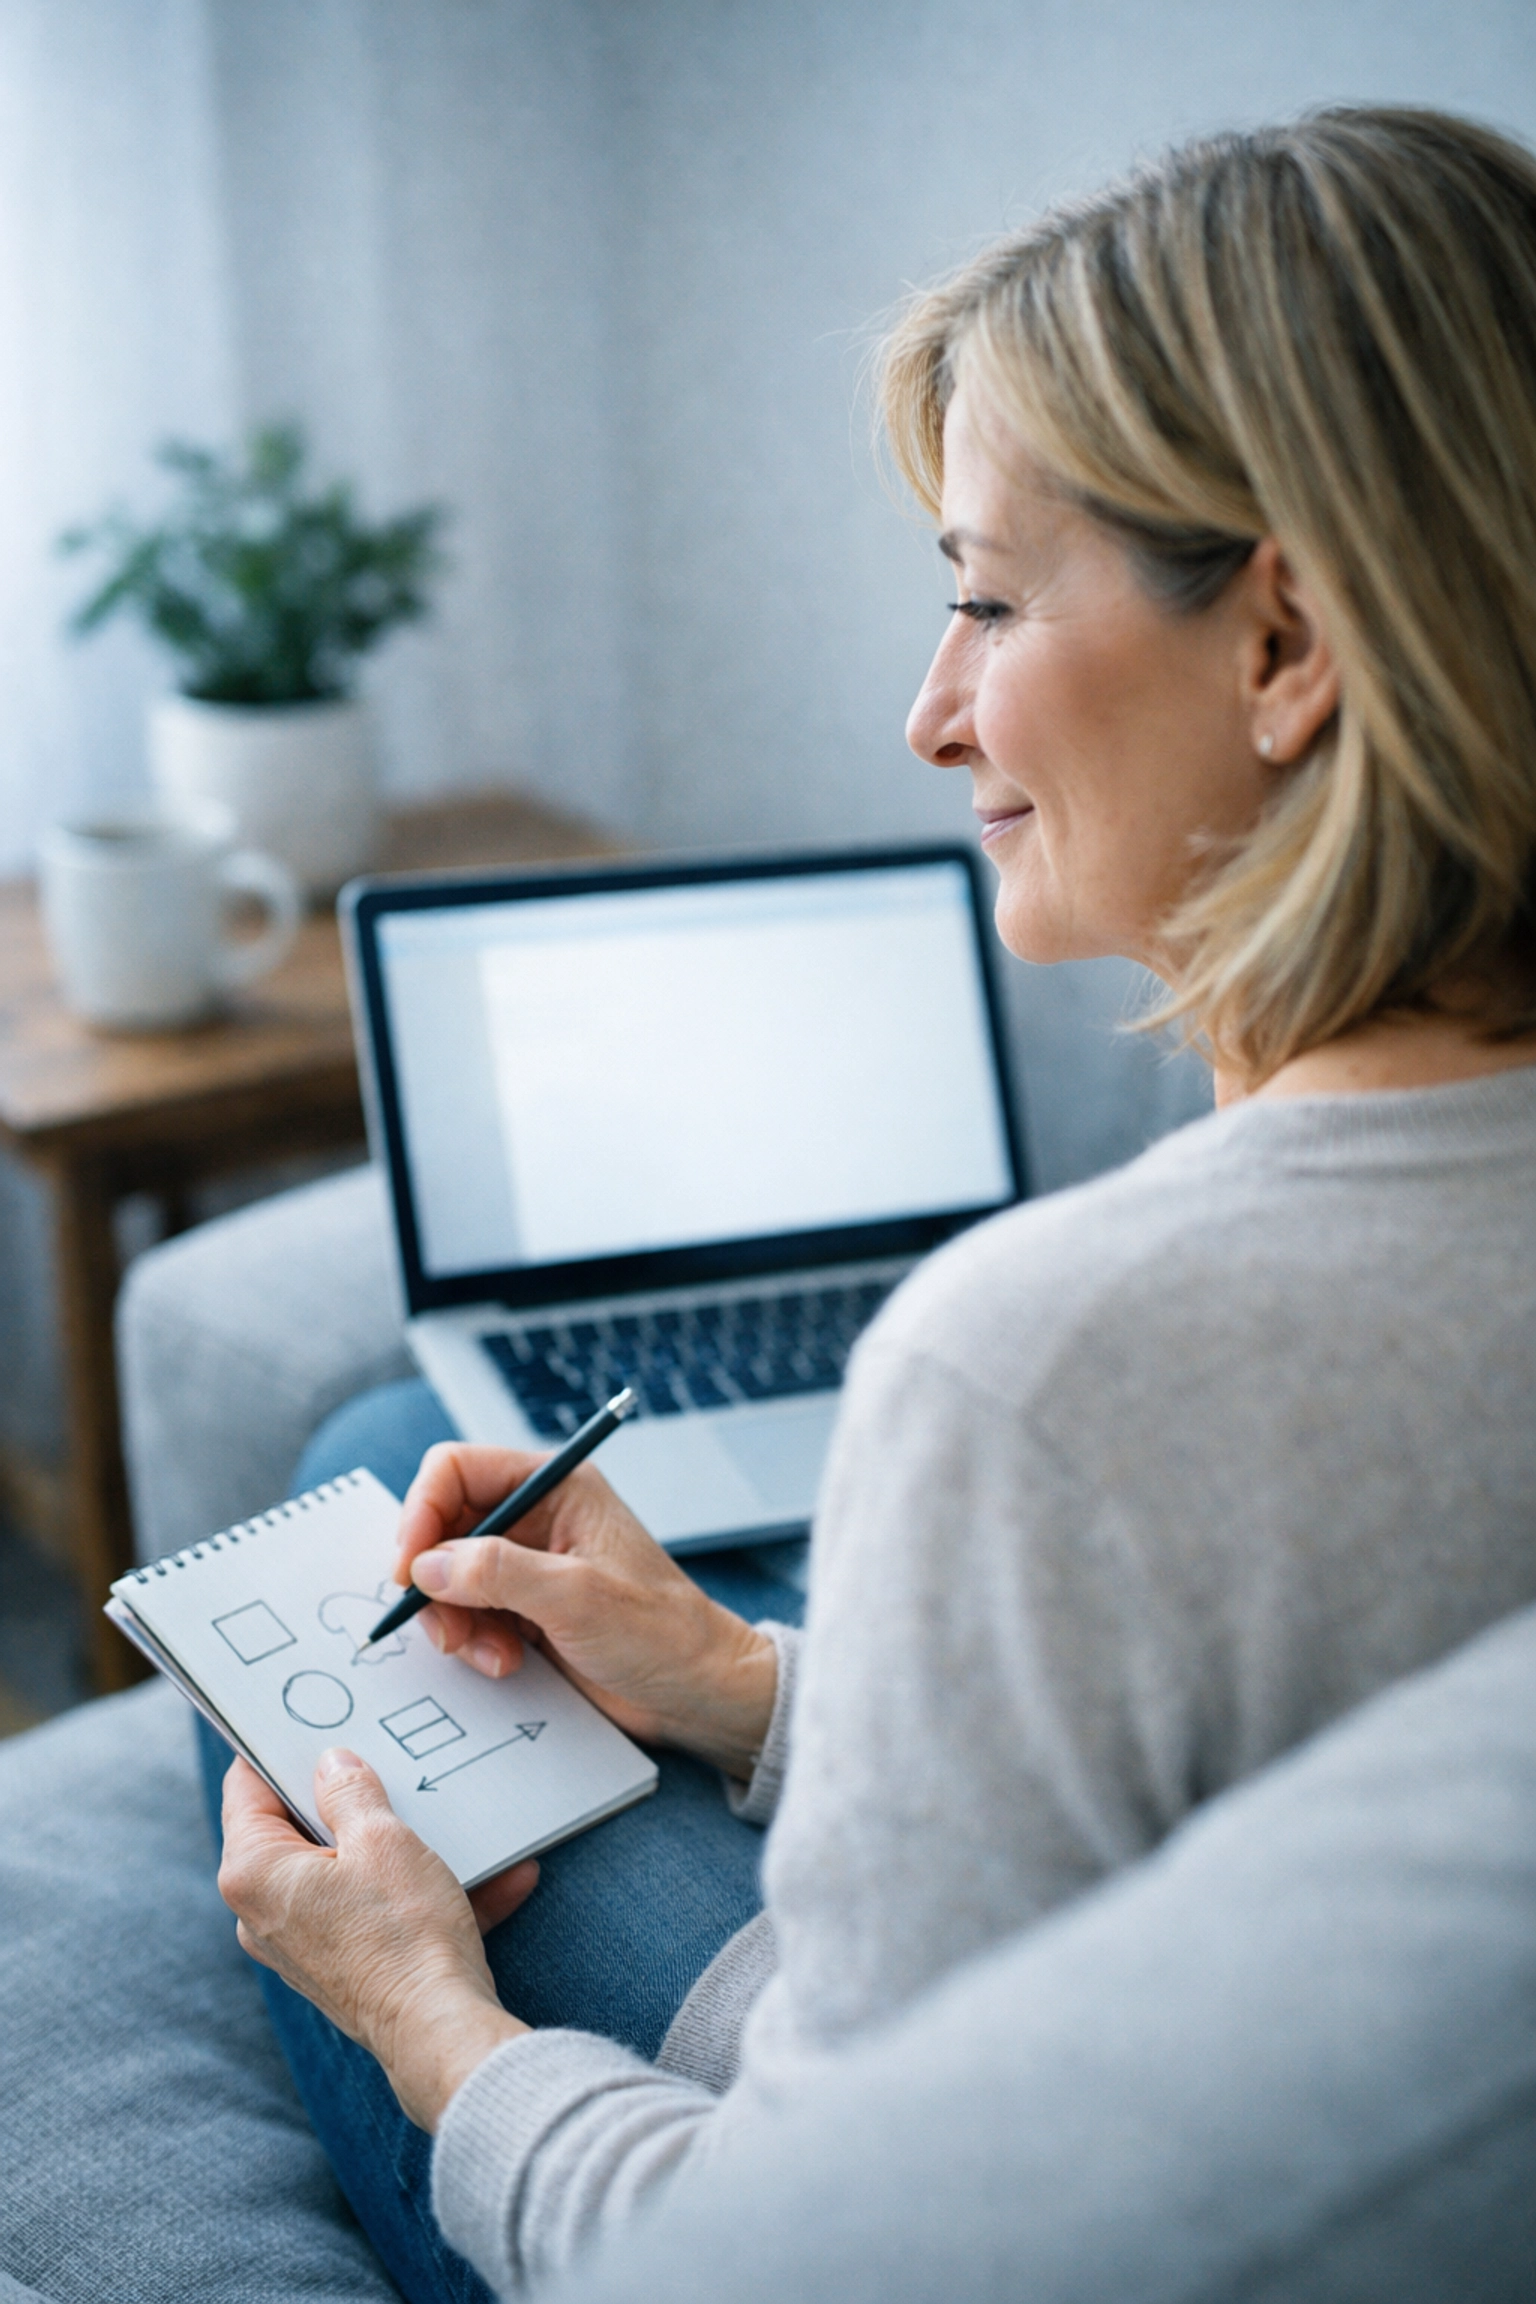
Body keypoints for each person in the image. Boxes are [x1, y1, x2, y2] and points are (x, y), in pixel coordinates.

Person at [213, 106, 1536, 2302]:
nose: (930, 716)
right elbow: (1321, 1837)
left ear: (1288, 643)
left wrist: (423, 2018)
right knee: (396, 1466)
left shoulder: (1042, 1370)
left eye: (989, 600)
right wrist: (744, 1682)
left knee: (361, 1485)